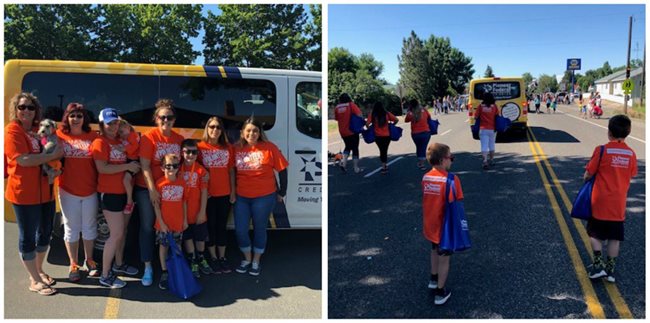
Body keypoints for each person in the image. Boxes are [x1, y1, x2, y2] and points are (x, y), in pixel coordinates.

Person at [5, 93, 63, 295]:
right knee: (28, 236)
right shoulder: (13, 131)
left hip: (46, 191)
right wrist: (53, 155)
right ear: (15, 110)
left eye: (31, 107)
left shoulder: (37, 131)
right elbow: (23, 160)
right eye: (22, 107)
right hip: (24, 193)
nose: (27, 111)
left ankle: (39, 270)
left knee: (45, 232)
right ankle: (34, 279)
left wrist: (54, 161)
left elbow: (51, 150)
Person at [135, 99, 184, 286]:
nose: (166, 120)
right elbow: (145, 166)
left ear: (174, 119)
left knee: (171, 226)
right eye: (162, 117)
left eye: (169, 117)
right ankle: (148, 266)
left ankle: (171, 265)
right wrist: (152, 190)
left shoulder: (179, 139)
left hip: (170, 189)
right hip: (148, 188)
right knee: (149, 226)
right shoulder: (149, 137)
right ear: (156, 119)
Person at [91, 108, 141, 288]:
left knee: (123, 232)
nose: (112, 126)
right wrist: (127, 166)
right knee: (116, 234)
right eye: (109, 123)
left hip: (125, 193)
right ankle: (105, 275)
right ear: (102, 124)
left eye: (115, 122)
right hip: (110, 193)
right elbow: (102, 168)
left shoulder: (120, 140)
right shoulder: (99, 142)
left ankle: (119, 265)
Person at [233, 117, 289, 276]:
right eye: (248, 130)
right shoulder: (236, 148)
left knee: (259, 228)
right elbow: (230, 172)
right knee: (240, 230)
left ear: (260, 133)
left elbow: (282, 170)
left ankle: (256, 261)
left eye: (255, 131)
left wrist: (282, 192)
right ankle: (247, 258)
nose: (252, 133)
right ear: (243, 132)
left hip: (264, 197)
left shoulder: (269, 148)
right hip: (241, 197)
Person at [585, 115, 637, 283]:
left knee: (594, 233)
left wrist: (586, 178)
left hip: (600, 201)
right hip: (618, 203)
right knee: (615, 238)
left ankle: (598, 265)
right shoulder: (631, 154)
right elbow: (631, 174)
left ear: (609, 132)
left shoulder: (601, 150)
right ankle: (611, 271)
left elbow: (589, 173)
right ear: (628, 132)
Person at [55, 103, 100, 282]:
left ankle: (89, 260)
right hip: (67, 189)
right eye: (72, 115)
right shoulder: (59, 135)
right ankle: (73, 263)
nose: (75, 119)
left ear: (84, 118)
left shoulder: (93, 136)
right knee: (71, 229)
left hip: (90, 189)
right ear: (67, 117)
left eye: (79, 116)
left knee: (89, 227)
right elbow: (43, 143)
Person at [421, 142, 463, 305]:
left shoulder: (426, 177)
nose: (452, 160)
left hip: (430, 223)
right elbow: (457, 202)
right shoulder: (452, 180)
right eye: (450, 157)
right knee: (444, 258)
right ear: (442, 160)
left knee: (434, 249)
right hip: (445, 226)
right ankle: (440, 292)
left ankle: (433, 278)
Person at [198, 117, 236, 274]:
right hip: (208, 195)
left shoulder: (228, 147)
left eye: (218, 127)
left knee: (222, 226)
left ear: (222, 130)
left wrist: (233, 191)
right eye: (212, 126)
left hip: (225, 193)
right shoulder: (200, 148)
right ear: (207, 128)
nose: (215, 130)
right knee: (211, 226)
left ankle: (222, 257)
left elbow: (231, 171)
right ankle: (213, 258)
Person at [153, 153, 188, 290]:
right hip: (163, 223)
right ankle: (164, 271)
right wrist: (161, 222)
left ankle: (176, 269)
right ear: (162, 168)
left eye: (174, 166)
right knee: (163, 247)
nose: (171, 169)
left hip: (178, 222)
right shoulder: (159, 183)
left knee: (177, 246)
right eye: (168, 166)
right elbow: (156, 205)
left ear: (178, 168)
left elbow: (184, 202)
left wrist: (184, 220)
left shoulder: (182, 183)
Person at [179, 139, 212, 278]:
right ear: (182, 152)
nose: (190, 155)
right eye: (187, 152)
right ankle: (192, 259)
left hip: (198, 211)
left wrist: (202, 212)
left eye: (193, 152)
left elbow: (204, 192)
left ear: (197, 154)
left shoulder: (200, 170)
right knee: (187, 237)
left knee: (200, 238)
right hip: (183, 212)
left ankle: (201, 257)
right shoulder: (177, 169)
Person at [333, 93, 363, 173]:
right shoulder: (351, 105)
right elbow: (359, 115)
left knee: (348, 146)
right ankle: (356, 168)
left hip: (342, 131)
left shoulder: (337, 107)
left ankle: (344, 163)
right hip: (352, 130)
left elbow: (336, 119)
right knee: (355, 148)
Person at [366, 102, 398, 175]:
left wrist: (371, 129)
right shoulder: (386, 113)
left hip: (377, 136)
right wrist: (391, 125)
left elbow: (367, 124)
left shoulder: (372, 114)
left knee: (381, 150)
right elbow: (396, 120)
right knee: (384, 150)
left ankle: (384, 166)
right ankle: (384, 165)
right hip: (387, 135)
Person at [117, 119, 140, 215]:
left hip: (134, 161)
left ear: (127, 127)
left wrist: (124, 149)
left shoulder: (132, 135)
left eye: (122, 132)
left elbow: (134, 147)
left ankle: (129, 201)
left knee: (126, 180)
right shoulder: (125, 137)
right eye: (119, 133)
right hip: (129, 160)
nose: (121, 135)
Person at [404, 99, 432, 170]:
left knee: (419, 147)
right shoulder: (424, 110)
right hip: (426, 132)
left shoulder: (410, 113)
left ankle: (420, 161)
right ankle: (421, 163)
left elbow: (406, 120)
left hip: (415, 134)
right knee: (423, 147)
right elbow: (429, 117)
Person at [474, 92, 498, 169]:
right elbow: (497, 116)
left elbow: (475, 116)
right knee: (492, 145)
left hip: (483, 129)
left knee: (484, 146)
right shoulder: (494, 107)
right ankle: (492, 160)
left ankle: (485, 161)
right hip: (492, 129)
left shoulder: (480, 107)